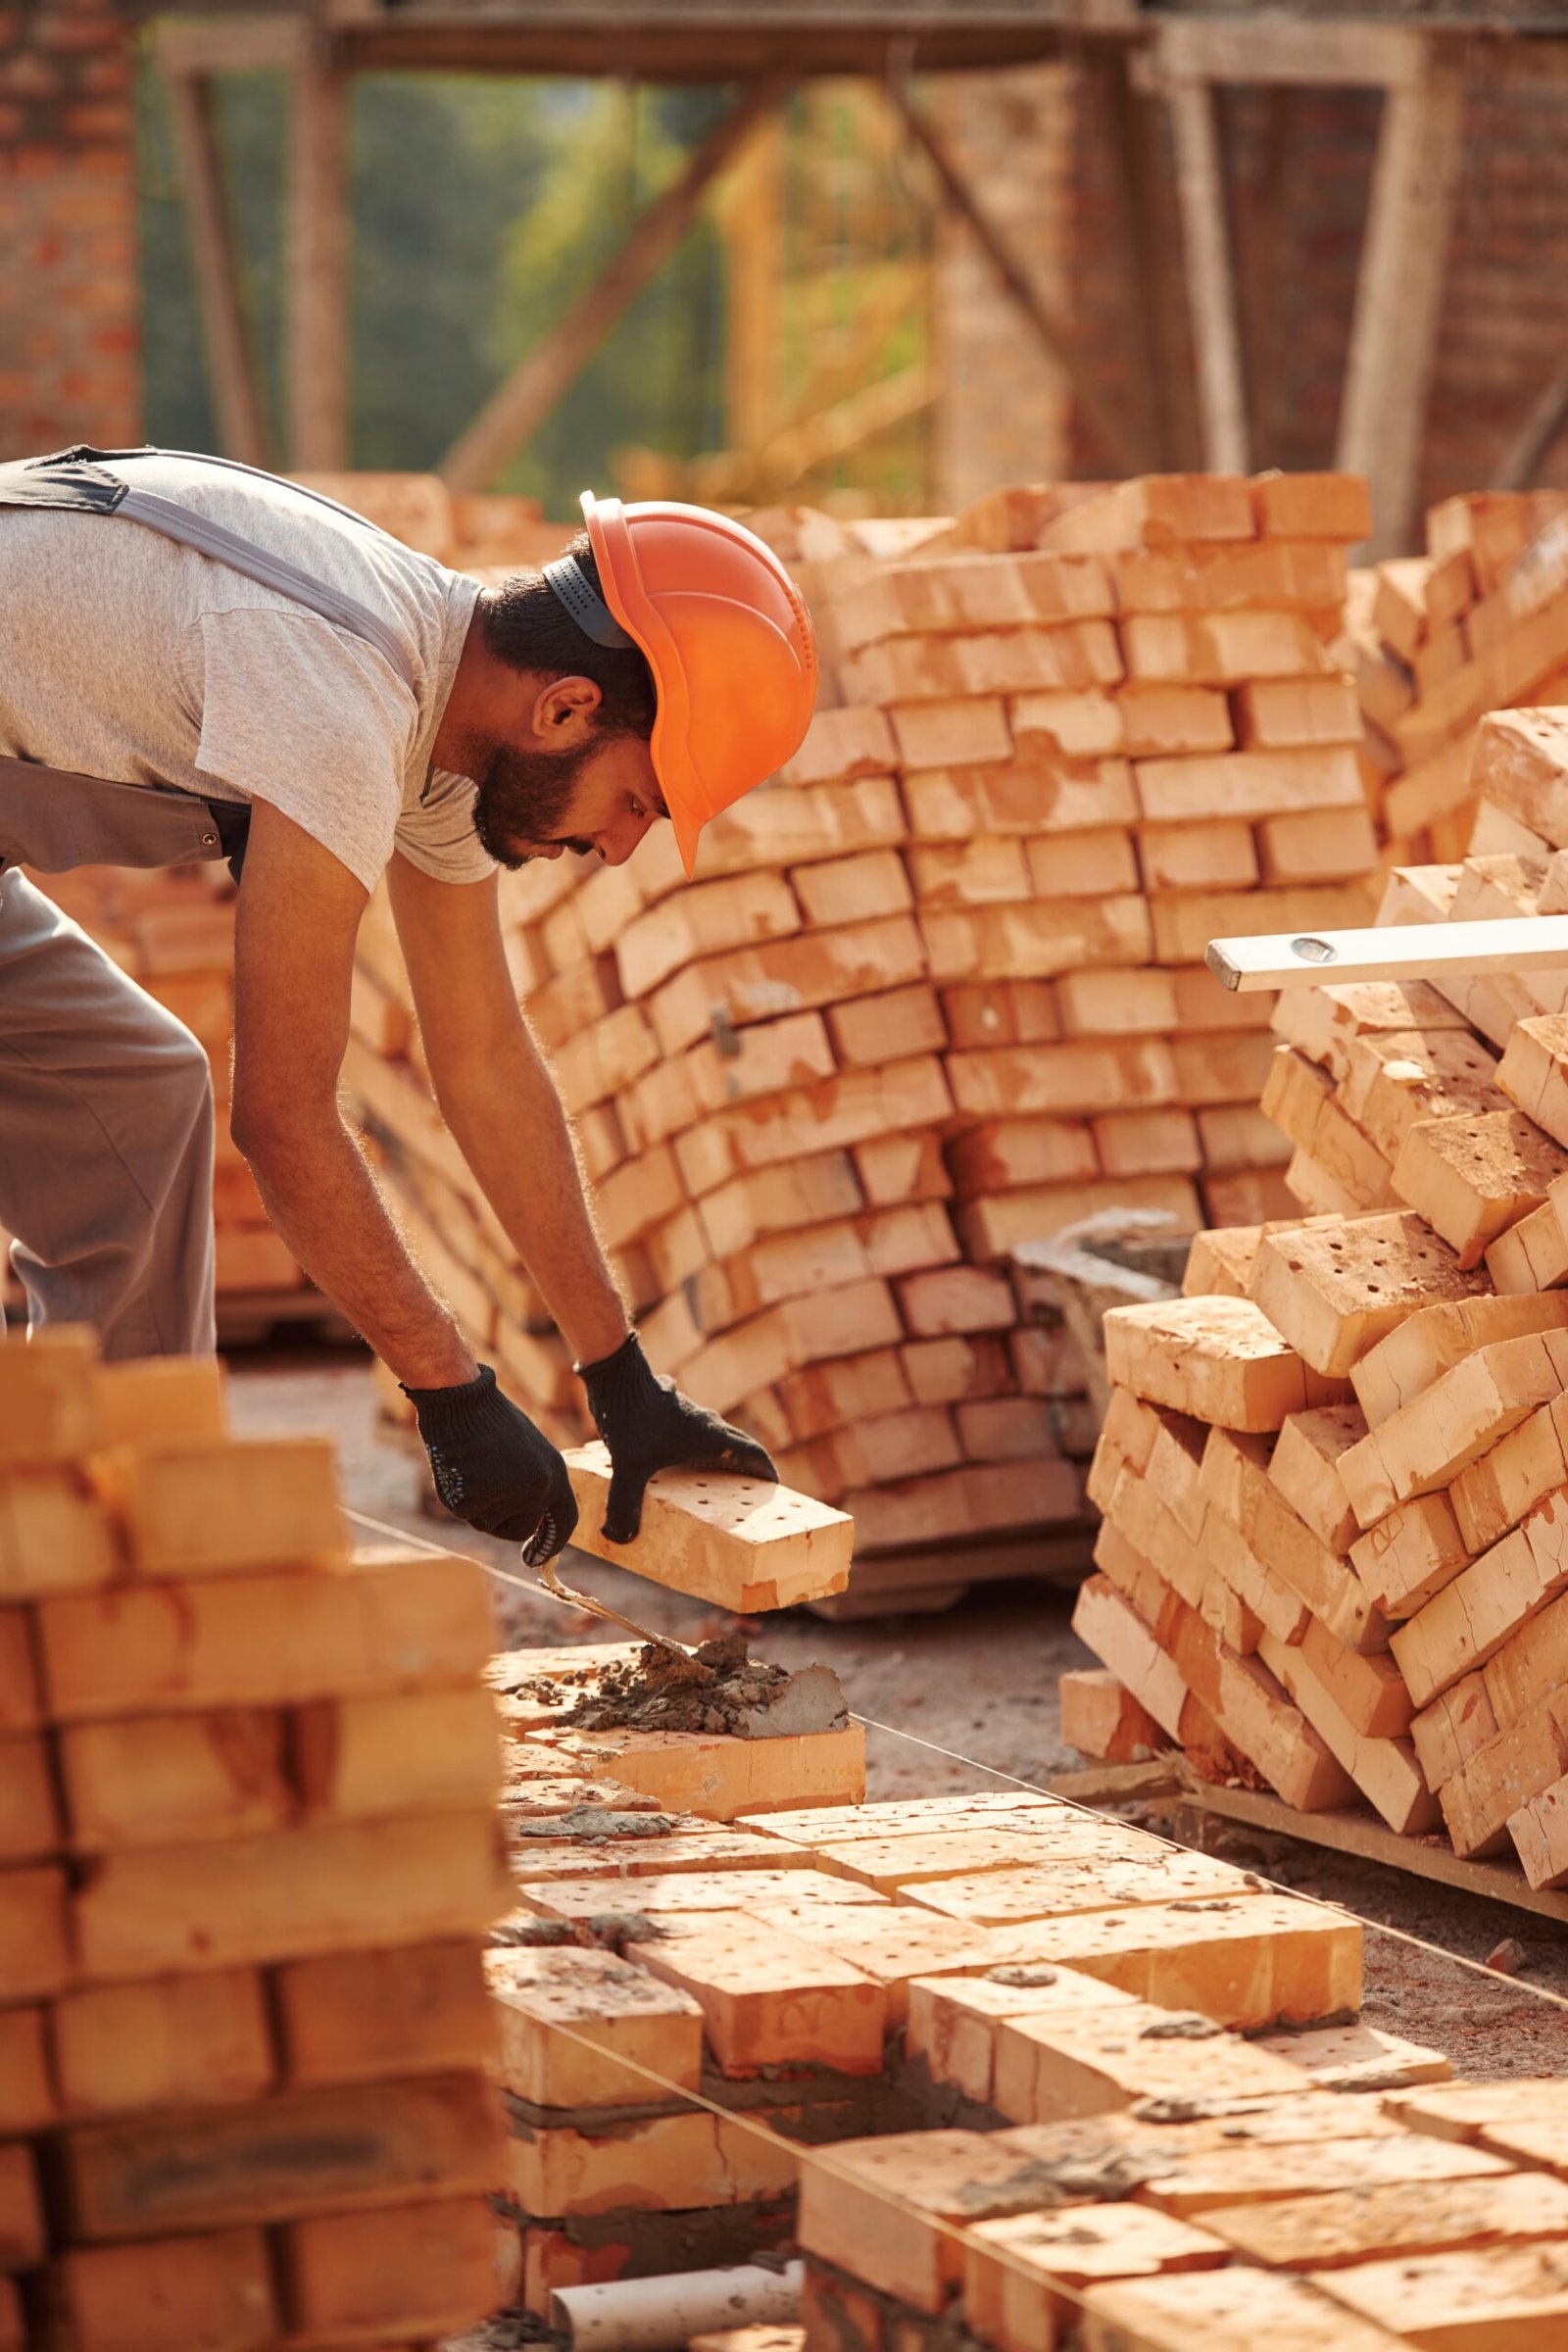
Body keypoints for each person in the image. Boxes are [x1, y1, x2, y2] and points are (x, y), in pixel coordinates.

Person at [0, 444, 818, 1563]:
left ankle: (117, 1556)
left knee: (132, 1097)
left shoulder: (443, 705)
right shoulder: (341, 690)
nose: (620, 850)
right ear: (568, 708)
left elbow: (482, 1060)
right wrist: (450, 1392)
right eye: (636, 801)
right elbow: (284, 1114)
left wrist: (619, 1376)